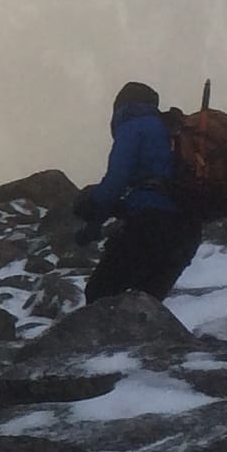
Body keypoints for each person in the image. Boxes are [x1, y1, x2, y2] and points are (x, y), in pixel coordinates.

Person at [76, 80, 201, 303]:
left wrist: (91, 206)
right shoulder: (176, 130)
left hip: (150, 227)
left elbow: (116, 181)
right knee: (146, 303)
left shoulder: (134, 126)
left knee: (100, 295)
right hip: (188, 231)